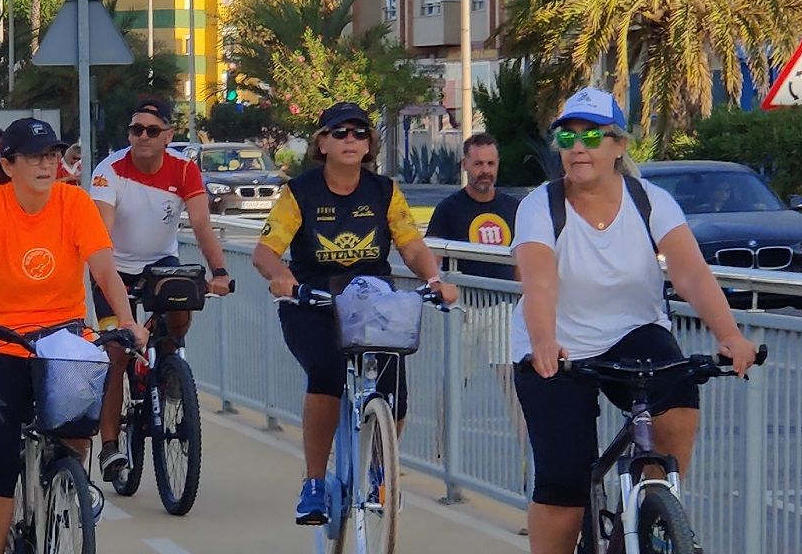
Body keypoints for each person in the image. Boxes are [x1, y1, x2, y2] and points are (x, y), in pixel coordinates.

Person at [511, 87, 757, 554]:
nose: (578, 147)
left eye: (592, 137)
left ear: (619, 146)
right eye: (567, 136)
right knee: (564, 479)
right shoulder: (540, 206)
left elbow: (691, 274)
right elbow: (539, 282)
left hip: (633, 332)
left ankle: (658, 509)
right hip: (557, 345)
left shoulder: (650, 202)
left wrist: (729, 335)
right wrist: (544, 341)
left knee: (679, 386)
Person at [0, 118, 148, 554]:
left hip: (61, 338)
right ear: (7, 164)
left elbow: (104, 269)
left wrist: (127, 322)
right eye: (34, 156)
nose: (46, 164)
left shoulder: (74, 204)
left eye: (52, 155)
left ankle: (67, 486)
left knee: (75, 427)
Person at [251, 101, 456, 525]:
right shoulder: (299, 192)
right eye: (339, 132)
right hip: (313, 301)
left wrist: (435, 280)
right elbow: (265, 252)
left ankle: (381, 468)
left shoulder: (384, 191)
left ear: (369, 145)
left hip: (371, 304)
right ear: (322, 143)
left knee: (394, 388)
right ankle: (313, 483)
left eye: (359, 133)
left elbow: (411, 245)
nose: (350, 140)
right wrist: (282, 277)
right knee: (326, 374)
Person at [89, 97, 234, 484]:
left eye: (152, 131)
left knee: (180, 312)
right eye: (136, 129)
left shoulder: (184, 169)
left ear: (168, 136)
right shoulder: (109, 171)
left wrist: (219, 271)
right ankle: (109, 446)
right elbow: (100, 237)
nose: (142, 137)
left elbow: (201, 225)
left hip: (160, 264)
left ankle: (169, 370)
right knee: (116, 353)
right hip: (113, 267)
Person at [425, 133, 521, 282]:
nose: (485, 171)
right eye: (478, 164)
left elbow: (523, 264)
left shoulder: (515, 208)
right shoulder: (448, 209)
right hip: (463, 295)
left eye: (491, 163)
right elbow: (429, 262)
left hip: (507, 295)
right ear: (465, 165)